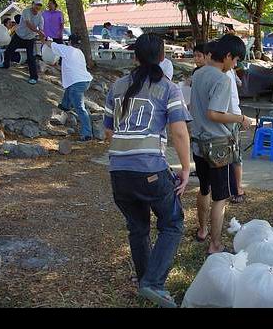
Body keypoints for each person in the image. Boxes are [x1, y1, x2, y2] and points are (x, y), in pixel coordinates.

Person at [103, 33, 192, 308]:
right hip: (150, 170)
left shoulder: (116, 86)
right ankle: (153, 283)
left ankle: (146, 281)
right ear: (163, 57)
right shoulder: (168, 87)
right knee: (173, 223)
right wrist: (186, 168)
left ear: (135, 56)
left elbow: (108, 132)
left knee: (138, 228)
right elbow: (179, 132)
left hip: (119, 173)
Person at [189, 34, 253, 255]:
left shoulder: (198, 74)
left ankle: (203, 229)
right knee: (220, 198)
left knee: (204, 189)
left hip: (198, 143)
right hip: (217, 146)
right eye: (235, 60)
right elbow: (214, 114)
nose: (234, 65)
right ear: (226, 56)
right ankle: (215, 245)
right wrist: (241, 119)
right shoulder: (222, 78)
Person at [41, 34, 94, 141]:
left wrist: (45, 39)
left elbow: (51, 44)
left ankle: (87, 133)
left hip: (77, 82)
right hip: (84, 80)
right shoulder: (79, 52)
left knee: (80, 108)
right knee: (69, 89)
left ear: (69, 41)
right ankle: (65, 106)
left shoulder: (67, 49)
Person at [0, 0, 45, 85]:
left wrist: (43, 38)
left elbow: (41, 30)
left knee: (31, 58)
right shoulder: (26, 11)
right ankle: (5, 64)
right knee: (8, 51)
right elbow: (28, 24)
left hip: (30, 39)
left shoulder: (41, 18)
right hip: (19, 36)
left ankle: (34, 77)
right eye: (37, 5)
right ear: (33, 4)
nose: (38, 7)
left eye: (40, 5)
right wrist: (38, 32)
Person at [226, 64, 246, 204]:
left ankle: (238, 188)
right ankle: (232, 187)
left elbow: (233, 100)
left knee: (235, 156)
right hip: (227, 118)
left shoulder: (227, 72)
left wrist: (239, 118)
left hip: (232, 118)